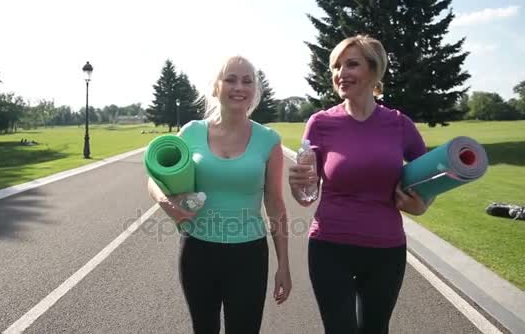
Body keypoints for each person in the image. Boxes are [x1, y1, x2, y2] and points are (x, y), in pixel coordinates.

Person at [288, 35, 432, 334]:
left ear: (374, 70)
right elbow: (307, 193)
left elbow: (431, 175)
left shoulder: (399, 123)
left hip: (386, 250)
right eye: (336, 66)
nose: (341, 73)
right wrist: (299, 186)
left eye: (351, 64)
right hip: (330, 247)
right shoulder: (320, 122)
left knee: (375, 329)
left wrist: (421, 204)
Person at [147, 56, 291, 334]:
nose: (239, 87)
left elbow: (275, 203)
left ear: (254, 91)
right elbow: (154, 177)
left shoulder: (269, 140)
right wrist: (167, 203)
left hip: (249, 255)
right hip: (198, 250)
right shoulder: (191, 132)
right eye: (231, 79)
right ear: (216, 87)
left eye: (247, 81)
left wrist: (284, 265)